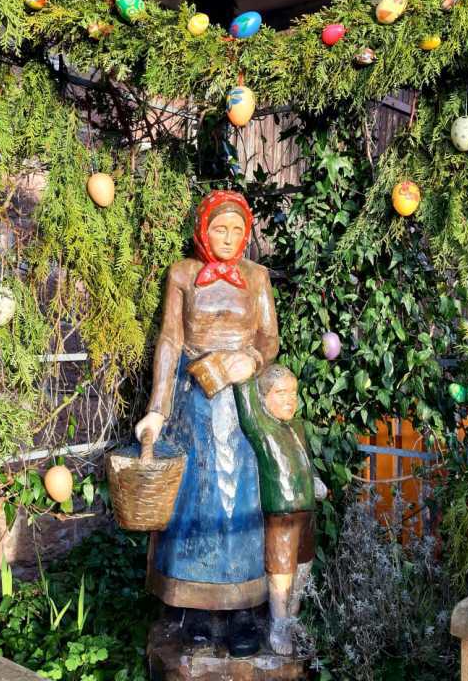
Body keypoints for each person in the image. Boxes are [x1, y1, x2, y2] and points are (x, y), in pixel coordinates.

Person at [134, 190, 278, 658]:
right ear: (203, 229)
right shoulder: (182, 274)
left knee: (240, 496)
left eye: (238, 230)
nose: (229, 238)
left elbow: (269, 338)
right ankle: (192, 605)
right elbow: (170, 340)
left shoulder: (256, 276)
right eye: (220, 228)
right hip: (192, 398)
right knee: (193, 496)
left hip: (240, 402)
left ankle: (241, 608)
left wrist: (251, 359)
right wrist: (157, 408)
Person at [234, 364, 325, 655]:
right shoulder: (262, 428)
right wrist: (243, 376)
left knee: (303, 567)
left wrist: (315, 481)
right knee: (281, 571)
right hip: (281, 513)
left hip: (306, 512)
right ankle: (279, 625)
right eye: (281, 392)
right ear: (263, 399)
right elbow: (247, 409)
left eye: (294, 393)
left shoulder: (297, 427)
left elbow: (305, 460)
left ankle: (292, 619)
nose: (290, 399)